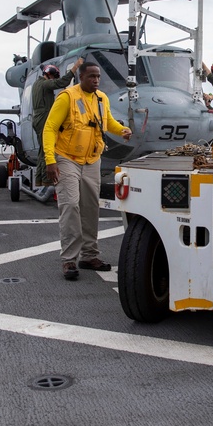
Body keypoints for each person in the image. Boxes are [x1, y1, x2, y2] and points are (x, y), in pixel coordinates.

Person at [43, 61, 131, 280]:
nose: (96, 80)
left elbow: (107, 122)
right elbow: (50, 128)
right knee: (71, 205)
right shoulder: (67, 97)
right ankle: (69, 260)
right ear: (80, 77)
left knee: (91, 207)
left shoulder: (102, 98)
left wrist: (122, 130)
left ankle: (89, 255)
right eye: (91, 76)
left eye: (98, 77)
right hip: (67, 158)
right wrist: (50, 160)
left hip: (92, 159)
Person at [32, 58, 82, 187]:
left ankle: (39, 181)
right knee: (47, 150)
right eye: (53, 76)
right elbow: (61, 82)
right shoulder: (44, 84)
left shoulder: (36, 84)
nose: (53, 79)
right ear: (48, 74)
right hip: (43, 118)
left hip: (37, 118)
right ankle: (47, 182)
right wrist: (75, 67)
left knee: (42, 150)